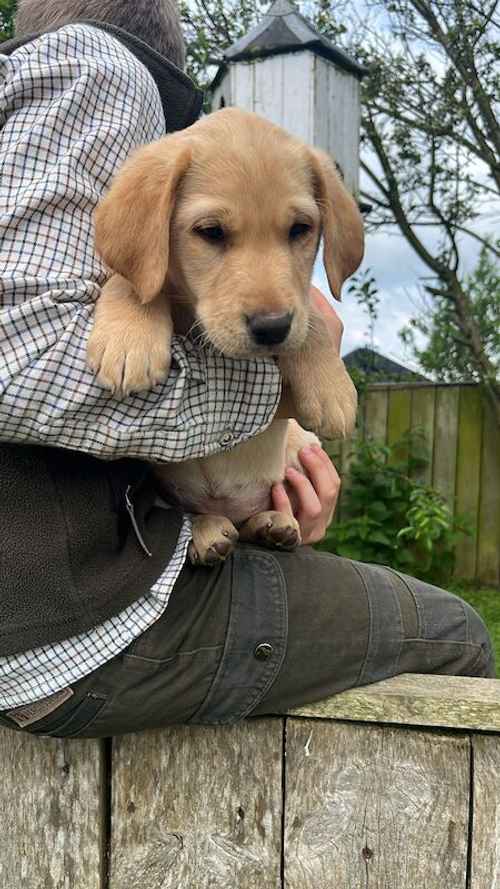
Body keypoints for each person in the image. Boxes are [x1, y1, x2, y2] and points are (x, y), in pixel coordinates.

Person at [0, 0, 494, 739]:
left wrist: (298, 407)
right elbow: (26, 352)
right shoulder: (98, 68)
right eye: (213, 233)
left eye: (299, 230)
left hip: (157, 537)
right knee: (456, 632)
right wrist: (276, 377)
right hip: (72, 623)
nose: (269, 299)